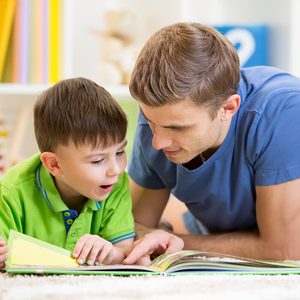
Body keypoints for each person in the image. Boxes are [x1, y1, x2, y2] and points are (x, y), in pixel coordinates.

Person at [123, 22, 300, 266]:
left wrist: (174, 241)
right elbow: (131, 230)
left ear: (228, 108)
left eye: (178, 127)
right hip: (211, 225)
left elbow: (286, 249)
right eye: (151, 121)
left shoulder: (283, 112)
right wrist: (153, 235)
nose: (157, 142)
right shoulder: (160, 116)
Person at [0, 78, 135, 268]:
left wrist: (110, 253)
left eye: (120, 152)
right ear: (54, 164)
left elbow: (124, 251)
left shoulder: (116, 183)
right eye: (97, 160)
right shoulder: (11, 191)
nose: (116, 169)